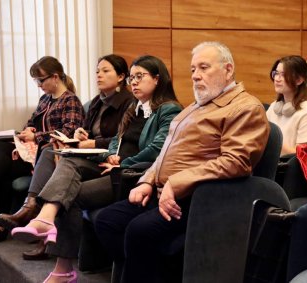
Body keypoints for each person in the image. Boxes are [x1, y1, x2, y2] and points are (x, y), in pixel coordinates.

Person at [93, 41, 270, 283]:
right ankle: (147, 273)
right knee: (107, 221)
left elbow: (236, 162)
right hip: (162, 191)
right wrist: (147, 180)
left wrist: (176, 183)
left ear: (228, 70)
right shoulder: (195, 107)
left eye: (204, 68)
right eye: (193, 69)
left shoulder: (245, 107)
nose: (196, 76)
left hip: (198, 199)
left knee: (139, 231)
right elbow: (166, 152)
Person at [11, 54, 182, 283]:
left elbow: (157, 149)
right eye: (132, 77)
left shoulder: (168, 109)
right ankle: (45, 219)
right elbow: (116, 141)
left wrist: (122, 162)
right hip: (114, 167)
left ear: (157, 79)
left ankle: (62, 267)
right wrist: (111, 155)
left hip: (135, 175)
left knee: (67, 194)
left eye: (139, 76)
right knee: (68, 160)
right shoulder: (135, 107)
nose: (134, 82)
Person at [0, 54, 133, 258]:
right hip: (84, 154)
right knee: (39, 153)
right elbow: (81, 130)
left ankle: (33, 212)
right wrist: (82, 135)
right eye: (97, 71)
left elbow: (121, 140)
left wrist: (90, 142)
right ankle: (32, 210)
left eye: (105, 71)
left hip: (104, 158)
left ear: (122, 76)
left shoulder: (127, 104)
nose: (98, 75)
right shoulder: (97, 102)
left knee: (53, 157)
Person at [0, 56, 85, 242]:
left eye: (40, 80)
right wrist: (28, 129)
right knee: (0, 153)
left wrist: (36, 137)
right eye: (36, 80)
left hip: (46, 154)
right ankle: (1, 222)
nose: (38, 85)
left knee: (2, 162)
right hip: (32, 152)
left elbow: (68, 132)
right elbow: (32, 122)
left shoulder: (70, 100)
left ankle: (23, 212)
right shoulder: (45, 99)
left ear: (55, 77)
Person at [266, 55, 307, 157]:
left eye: (283, 74)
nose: (277, 79)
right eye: (276, 73)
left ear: (299, 80)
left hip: (286, 167)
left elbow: (301, 155)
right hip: (269, 160)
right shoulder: (274, 107)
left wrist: (270, 139)